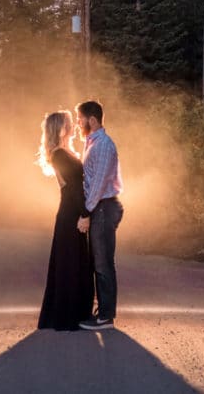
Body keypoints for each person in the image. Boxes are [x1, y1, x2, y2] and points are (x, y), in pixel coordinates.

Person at [37, 110, 95, 331]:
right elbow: (72, 188)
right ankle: (67, 316)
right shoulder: (59, 154)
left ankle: (76, 312)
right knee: (70, 263)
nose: (73, 125)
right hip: (70, 212)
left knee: (76, 261)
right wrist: (85, 214)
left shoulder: (64, 152)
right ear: (61, 128)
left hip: (72, 210)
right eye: (69, 122)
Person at [75, 100, 123, 331]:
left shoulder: (103, 145)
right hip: (99, 208)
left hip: (103, 208)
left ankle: (105, 317)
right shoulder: (91, 142)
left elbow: (99, 183)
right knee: (98, 262)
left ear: (92, 119)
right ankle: (103, 311)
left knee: (103, 263)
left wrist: (86, 211)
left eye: (80, 118)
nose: (78, 123)